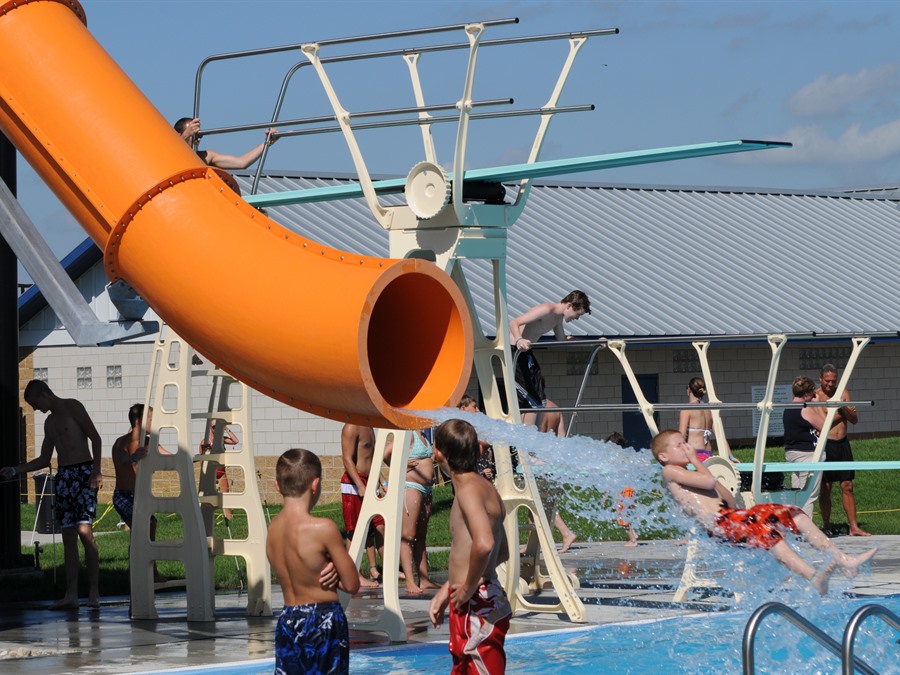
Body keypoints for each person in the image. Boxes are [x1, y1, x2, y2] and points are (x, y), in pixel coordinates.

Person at [651, 429, 876, 595]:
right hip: (720, 526)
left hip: (732, 517)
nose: (686, 447)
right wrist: (696, 461)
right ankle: (813, 577)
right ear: (663, 456)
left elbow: (728, 498)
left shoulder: (689, 473)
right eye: (679, 445)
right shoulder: (670, 471)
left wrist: (706, 474)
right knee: (765, 531)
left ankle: (843, 560)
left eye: (685, 443)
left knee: (792, 513)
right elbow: (709, 480)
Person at [1, 380, 102, 609]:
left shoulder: (73, 407)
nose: (35, 408)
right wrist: (16, 469)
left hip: (83, 472)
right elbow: (44, 459)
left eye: (35, 403)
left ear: (45, 394)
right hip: (65, 476)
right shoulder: (49, 423)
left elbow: (95, 438)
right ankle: (72, 594)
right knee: (67, 535)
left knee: (84, 531)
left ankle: (94, 591)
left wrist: (96, 471)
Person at [266, 448, 360, 674]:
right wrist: (337, 574)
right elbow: (352, 584)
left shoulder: (273, 530)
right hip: (322, 619)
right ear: (315, 484)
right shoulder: (323, 528)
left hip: (287, 621)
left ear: (277, 486)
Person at [429, 419, 511, 674]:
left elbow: (485, 545)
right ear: (477, 452)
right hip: (480, 599)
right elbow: (503, 550)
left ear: (438, 453)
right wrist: (448, 588)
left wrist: (465, 588)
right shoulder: (485, 488)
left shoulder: (468, 492)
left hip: (477, 603)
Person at [508, 289, 591, 435]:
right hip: (514, 351)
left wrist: (595, 342)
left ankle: (525, 440)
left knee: (539, 397)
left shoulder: (557, 319)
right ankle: (525, 443)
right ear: (570, 305)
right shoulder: (547, 310)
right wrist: (519, 339)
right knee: (532, 398)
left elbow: (562, 341)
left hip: (526, 353)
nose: (577, 318)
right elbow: (514, 322)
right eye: (578, 314)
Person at [111, 403, 168, 583]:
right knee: (141, 529)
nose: (155, 422)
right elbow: (121, 460)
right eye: (151, 418)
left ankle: (150, 570)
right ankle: (136, 572)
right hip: (124, 495)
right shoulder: (122, 442)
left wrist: (194, 458)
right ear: (138, 421)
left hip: (140, 496)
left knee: (150, 527)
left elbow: (171, 456)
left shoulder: (150, 443)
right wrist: (133, 457)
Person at [816, 364, 870, 537]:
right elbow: (822, 424)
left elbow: (854, 419)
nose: (830, 385)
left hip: (843, 443)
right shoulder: (816, 396)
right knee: (826, 487)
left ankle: (854, 526)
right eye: (827, 381)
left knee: (847, 485)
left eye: (833, 381)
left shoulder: (843, 392)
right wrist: (841, 411)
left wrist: (845, 410)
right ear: (820, 379)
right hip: (826, 444)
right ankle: (827, 525)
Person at [387, 428, 439, 594]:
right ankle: (409, 581)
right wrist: (400, 465)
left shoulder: (423, 435)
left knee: (421, 536)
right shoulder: (409, 433)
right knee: (408, 535)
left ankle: (424, 579)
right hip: (411, 488)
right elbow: (386, 452)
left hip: (426, 489)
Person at [340, 424, 385, 587]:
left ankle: (388, 569)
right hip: (354, 483)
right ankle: (354, 575)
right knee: (355, 530)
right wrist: (359, 485)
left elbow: (371, 459)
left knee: (380, 525)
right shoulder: (351, 427)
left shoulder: (370, 426)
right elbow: (347, 458)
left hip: (369, 481)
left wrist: (382, 481)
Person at [783, 375, 825, 518]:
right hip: (807, 456)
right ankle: (806, 530)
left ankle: (796, 528)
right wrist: (817, 405)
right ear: (806, 394)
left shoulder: (788, 408)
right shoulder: (805, 409)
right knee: (808, 496)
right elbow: (825, 426)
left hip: (792, 455)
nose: (814, 396)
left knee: (797, 494)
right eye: (812, 393)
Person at [173, 117, 279, 169]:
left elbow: (241, 163)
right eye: (194, 135)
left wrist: (267, 143)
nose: (198, 140)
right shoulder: (167, 154)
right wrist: (186, 135)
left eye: (200, 136)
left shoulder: (206, 156)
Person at [200, 420, 238, 524]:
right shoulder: (205, 442)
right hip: (210, 473)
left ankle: (229, 520)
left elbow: (235, 441)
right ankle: (205, 519)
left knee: (225, 496)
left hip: (221, 472)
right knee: (208, 498)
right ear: (210, 428)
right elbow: (201, 460)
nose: (216, 429)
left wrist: (226, 429)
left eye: (218, 427)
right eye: (213, 427)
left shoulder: (221, 439)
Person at [606, 432, 639, 547]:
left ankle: (632, 540)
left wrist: (606, 495)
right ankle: (633, 534)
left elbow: (612, 480)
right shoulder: (626, 456)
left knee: (621, 515)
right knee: (626, 513)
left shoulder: (614, 459)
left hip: (624, 491)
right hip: (631, 489)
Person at [457, 395, 496, 481]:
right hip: (467, 475)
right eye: (474, 407)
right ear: (463, 408)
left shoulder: (475, 425)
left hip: (482, 471)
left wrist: (488, 467)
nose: (477, 410)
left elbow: (488, 449)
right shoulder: (459, 427)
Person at [679, 377, 716, 463]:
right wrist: (731, 456)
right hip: (708, 454)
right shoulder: (709, 410)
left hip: (694, 453)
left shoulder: (687, 409)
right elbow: (719, 435)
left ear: (689, 389)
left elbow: (682, 435)